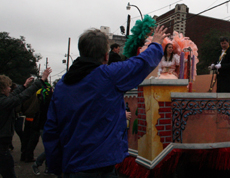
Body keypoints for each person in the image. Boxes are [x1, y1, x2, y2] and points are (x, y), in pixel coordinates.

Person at [43, 25, 169, 177]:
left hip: (72, 167)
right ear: (105, 56)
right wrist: (155, 43)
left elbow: (51, 130)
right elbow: (141, 63)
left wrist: (56, 167)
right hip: (102, 167)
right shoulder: (109, 76)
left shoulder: (62, 85)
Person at [0, 68, 52, 178]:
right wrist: (41, 80)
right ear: (2, 89)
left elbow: (15, 95)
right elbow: (21, 97)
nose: (10, 88)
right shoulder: (3, 102)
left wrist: (24, 86)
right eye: (8, 87)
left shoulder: (3, 100)